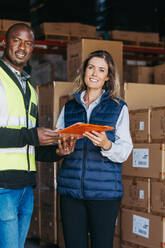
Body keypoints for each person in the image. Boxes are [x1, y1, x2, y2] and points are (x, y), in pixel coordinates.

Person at [0, 23, 76, 248]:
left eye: (28, 43)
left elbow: (27, 144)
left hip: (24, 185)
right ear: (4, 43)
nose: (22, 47)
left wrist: (56, 151)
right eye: (17, 40)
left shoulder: (28, 88)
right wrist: (33, 136)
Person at [56, 50, 133, 248]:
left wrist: (106, 144)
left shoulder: (118, 108)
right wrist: (62, 146)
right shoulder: (70, 107)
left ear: (107, 77)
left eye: (101, 70)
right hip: (71, 191)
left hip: (104, 193)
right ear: (84, 72)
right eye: (91, 68)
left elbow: (124, 150)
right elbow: (57, 139)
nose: (94, 74)